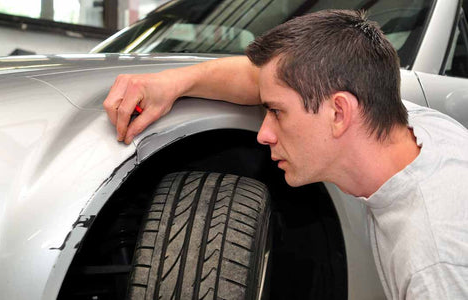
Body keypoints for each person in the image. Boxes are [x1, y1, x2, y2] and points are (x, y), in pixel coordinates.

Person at [103, 9, 468, 300]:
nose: (263, 134)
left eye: (276, 112)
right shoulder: (409, 123)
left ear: (339, 113)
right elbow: (265, 78)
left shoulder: (434, 267)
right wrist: (173, 82)